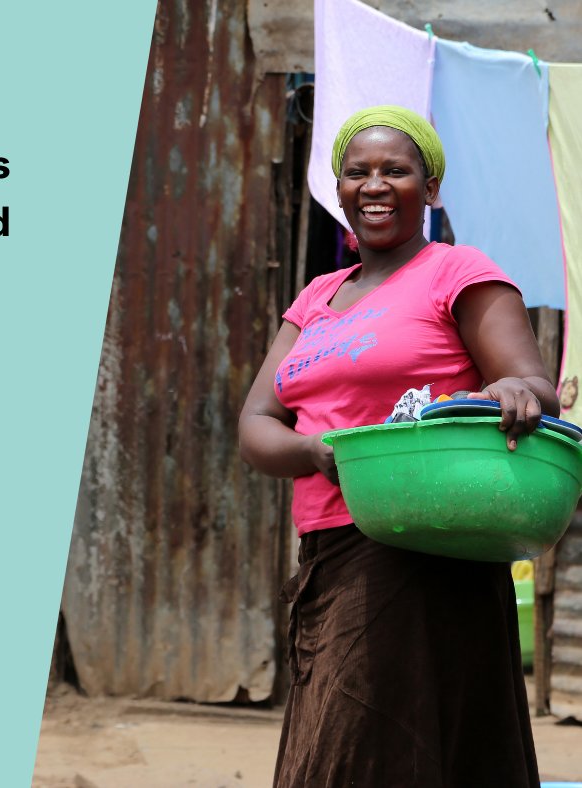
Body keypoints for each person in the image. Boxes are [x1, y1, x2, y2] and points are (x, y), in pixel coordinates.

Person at [238, 105, 558, 787]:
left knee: (357, 756)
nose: (375, 184)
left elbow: (529, 379)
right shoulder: (317, 300)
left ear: (430, 189)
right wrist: (322, 452)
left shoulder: (456, 272)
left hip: (425, 545)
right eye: (358, 172)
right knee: (362, 751)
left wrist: (516, 394)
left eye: (395, 170)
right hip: (329, 547)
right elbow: (258, 423)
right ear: (341, 191)